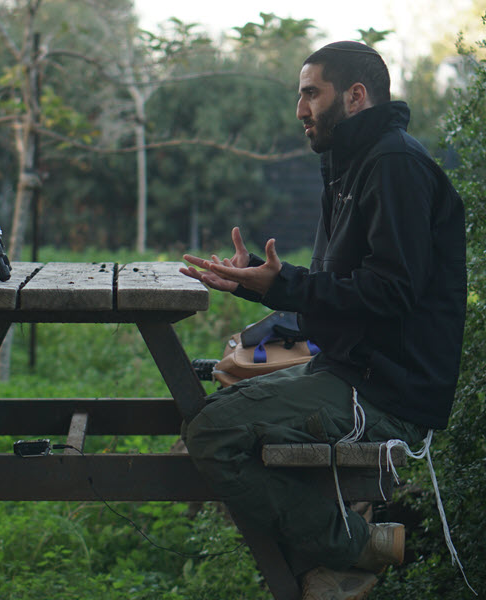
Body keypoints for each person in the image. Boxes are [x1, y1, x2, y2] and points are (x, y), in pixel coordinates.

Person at [180, 41, 466, 600]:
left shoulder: (393, 165)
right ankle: (331, 564)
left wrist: (283, 283)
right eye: (299, 94)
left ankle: (354, 546)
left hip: (387, 392)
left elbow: (391, 293)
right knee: (214, 413)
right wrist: (263, 286)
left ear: (355, 96)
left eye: (312, 93)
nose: (300, 109)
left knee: (213, 433)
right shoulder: (351, 165)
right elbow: (346, 291)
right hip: (349, 370)